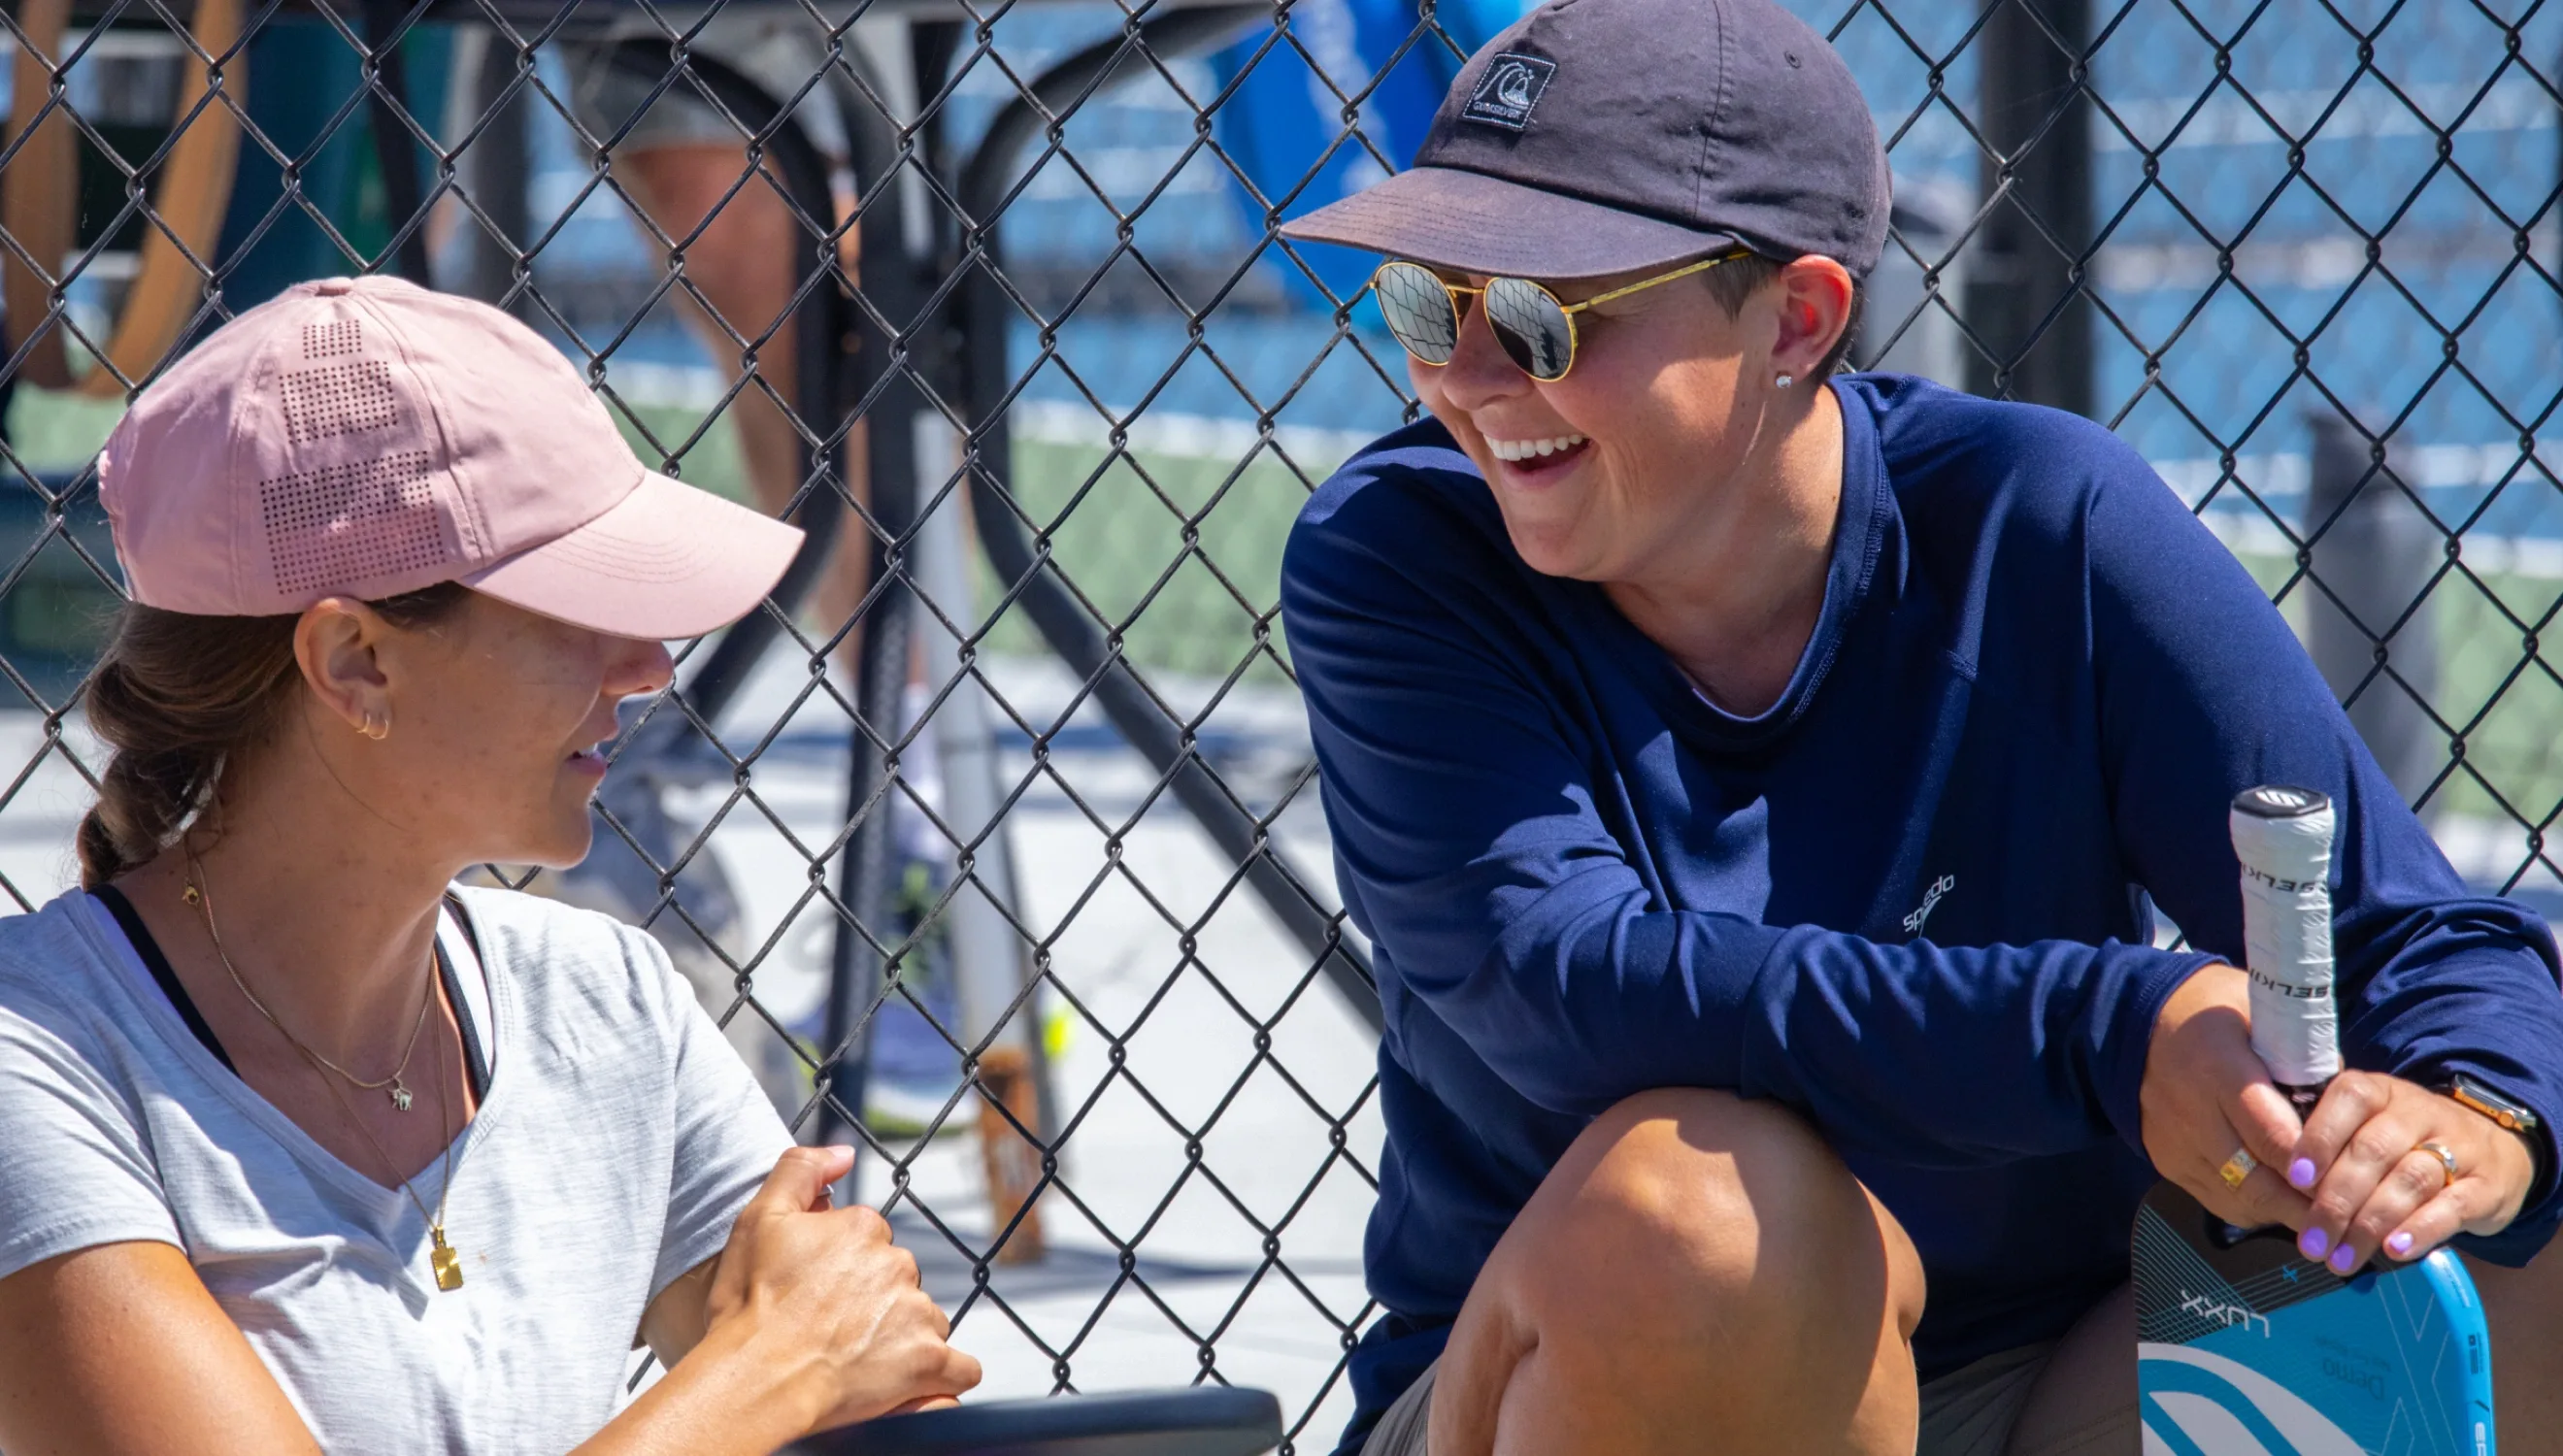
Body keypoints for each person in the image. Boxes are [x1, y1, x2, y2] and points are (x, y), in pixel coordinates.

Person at [1273, 2, 2563, 1453]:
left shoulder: (2042, 519)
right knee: (1703, 1214)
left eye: (1535, 318)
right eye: (1426, 304)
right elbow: (1572, 985)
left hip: (2048, 1370)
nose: (1467, 377)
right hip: (1590, 1387)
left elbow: (2416, 937)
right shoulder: (1395, 561)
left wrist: (2478, 1127)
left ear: (1798, 320)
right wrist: (2110, 1023)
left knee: (2526, 1220)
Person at [0, 276, 982, 1452]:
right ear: (355, 660)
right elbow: (810, 1354)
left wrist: (794, 1365)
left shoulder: (610, 1003)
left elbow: (881, 1397)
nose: (648, 664)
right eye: (580, 606)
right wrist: (768, 1373)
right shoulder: (41, 1064)